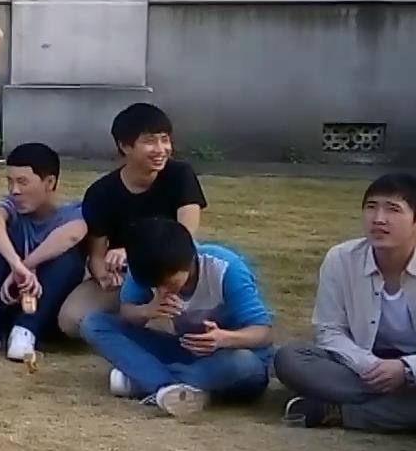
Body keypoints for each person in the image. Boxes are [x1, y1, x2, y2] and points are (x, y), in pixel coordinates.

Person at [80, 218, 272, 418]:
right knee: (94, 324)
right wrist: (147, 310)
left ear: (188, 261)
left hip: (229, 356)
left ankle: (149, 381)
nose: (163, 290)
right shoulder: (146, 269)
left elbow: (263, 332)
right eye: (156, 285)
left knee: (243, 363)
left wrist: (223, 338)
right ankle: (176, 388)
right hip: (185, 348)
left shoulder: (226, 269)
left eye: (169, 283)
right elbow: (127, 312)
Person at [275, 173, 416, 433]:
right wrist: (370, 366)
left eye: (393, 209)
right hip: (361, 365)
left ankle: (338, 413)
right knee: (290, 358)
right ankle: (398, 407)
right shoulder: (342, 258)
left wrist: (406, 369)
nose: (379, 219)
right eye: (371, 207)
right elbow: (329, 330)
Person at [58, 103, 207, 340]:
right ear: (125, 146)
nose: (161, 149)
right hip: (129, 277)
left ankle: (149, 322)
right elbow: (96, 256)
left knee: (187, 319)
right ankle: (131, 321)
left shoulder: (180, 175)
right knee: (71, 320)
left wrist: (131, 252)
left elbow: (185, 237)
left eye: (165, 140)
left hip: (174, 270)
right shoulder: (101, 192)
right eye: (150, 141)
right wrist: (104, 276)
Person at [0, 143, 88, 362]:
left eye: (22, 182)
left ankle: (25, 332)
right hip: (8, 299)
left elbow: (72, 235)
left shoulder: (73, 212)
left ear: (50, 182)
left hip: (47, 308)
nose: (15, 190)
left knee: (67, 258)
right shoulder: (11, 207)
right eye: (10, 182)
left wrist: (26, 267)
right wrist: (16, 265)